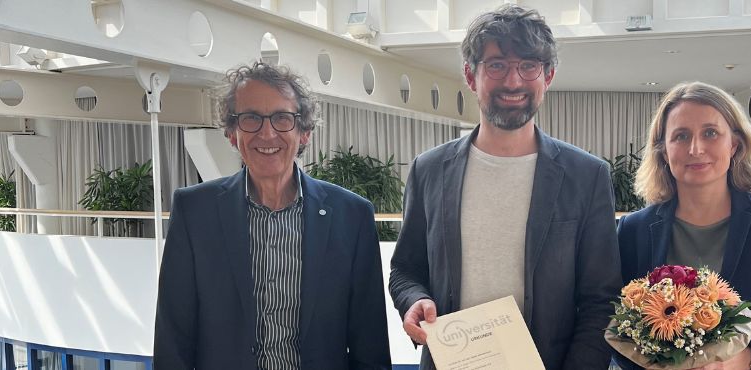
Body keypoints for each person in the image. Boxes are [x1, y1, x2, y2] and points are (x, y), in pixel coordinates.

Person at [388, 4, 622, 369]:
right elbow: (405, 269)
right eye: (497, 65)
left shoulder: (586, 176)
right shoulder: (429, 169)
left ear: (548, 75)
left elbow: (601, 300)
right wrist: (413, 299)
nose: (513, 81)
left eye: (528, 65)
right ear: (470, 74)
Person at [153, 61, 391, 370]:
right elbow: (173, 340)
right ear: (231, 133)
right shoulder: (195, 211)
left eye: (282, 118)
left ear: (304, 132)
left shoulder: (352, 216)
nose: (267, 133)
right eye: (251, 118)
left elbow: (369, 347)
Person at [615, 82, 751, 370]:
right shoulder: (632, 230)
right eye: (680, 136)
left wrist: (749, 358)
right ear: (664, 152)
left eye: (710, 133)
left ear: (734, 144)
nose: (696, 148)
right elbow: (614, 328)